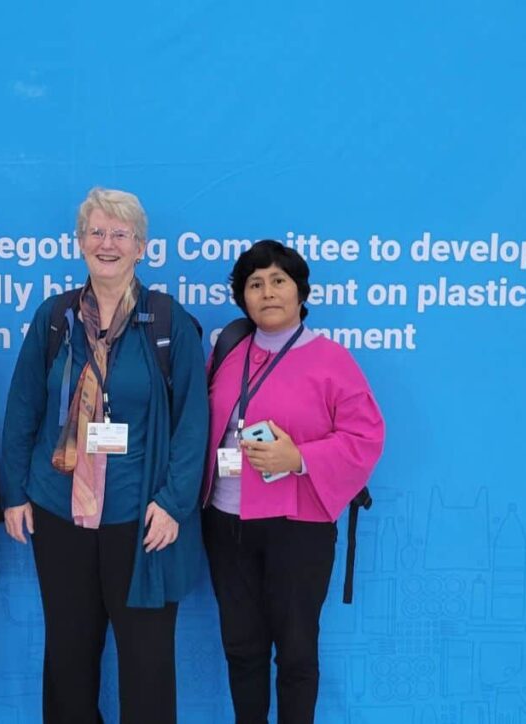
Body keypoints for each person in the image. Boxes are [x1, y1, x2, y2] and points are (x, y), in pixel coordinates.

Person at [1, 187, 208, 724]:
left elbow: (193, 423)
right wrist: (14, 493)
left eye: (120, 234)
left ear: (141, 247)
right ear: (79, 242)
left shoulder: (167, 322)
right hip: (58, 508)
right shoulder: (56, 318)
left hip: (140, 518)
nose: (107, 243)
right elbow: (24, 406)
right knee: (68, 657)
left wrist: (175, 503)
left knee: (147, 664)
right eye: (97, 232)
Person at [202, 239, 385, 723]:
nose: (267, 292)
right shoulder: (227, 355)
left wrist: (299, 456)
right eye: (255, 284)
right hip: (226, 522)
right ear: (242, 297)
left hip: (297, 526)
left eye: (279, 281)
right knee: (241, 648)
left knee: (297, 653)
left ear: (300, 292)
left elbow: (365, 437)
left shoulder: (331, 360)